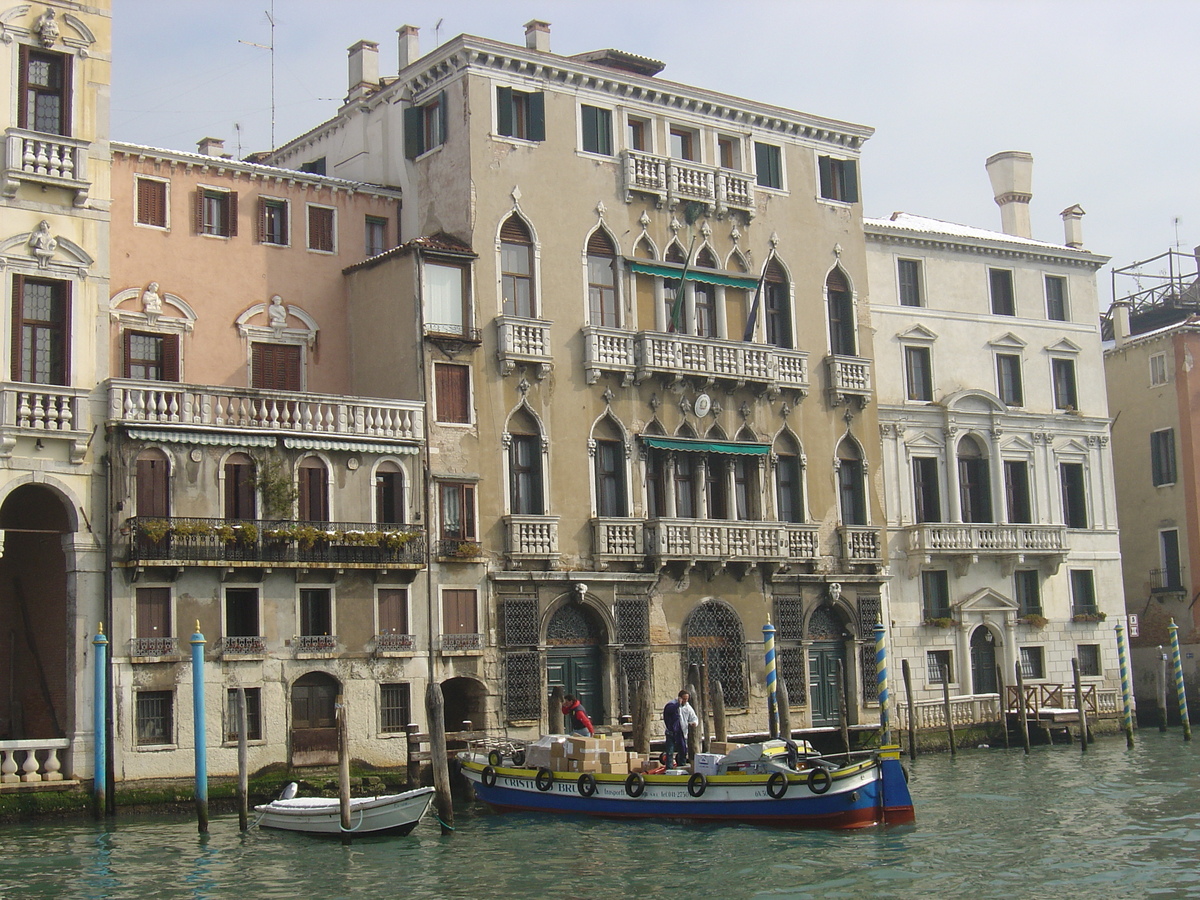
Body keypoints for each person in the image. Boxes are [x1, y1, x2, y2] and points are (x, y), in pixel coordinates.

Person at [662, 689, 698, 767]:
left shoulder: (688, 707)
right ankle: (669, 767)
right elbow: (669, 711)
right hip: (671, 732)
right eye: (684, 699)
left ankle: (682, 765)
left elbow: (694, 717)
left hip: (682, 732)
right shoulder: (671, 705)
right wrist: (678, 704)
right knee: (670, 751)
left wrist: (694, 723)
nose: (685, 700)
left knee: (683, 750)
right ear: (680, 698)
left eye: (687, 699)